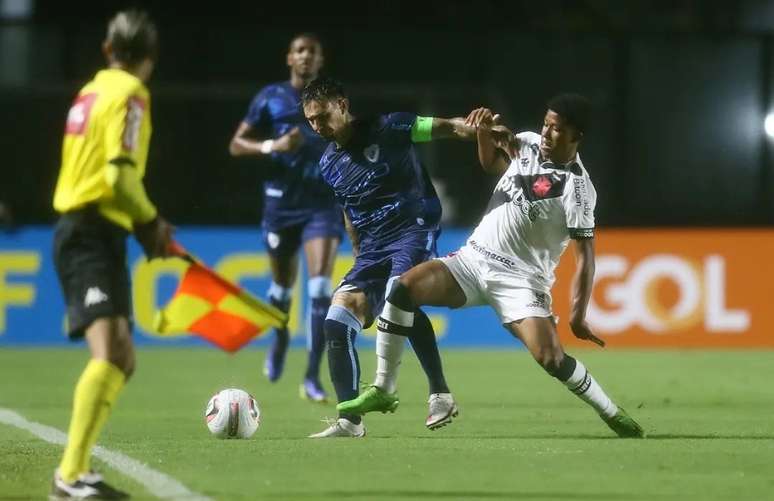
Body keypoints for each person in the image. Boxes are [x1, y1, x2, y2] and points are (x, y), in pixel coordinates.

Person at [340, 95, 645, 438]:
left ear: (576, 137)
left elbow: (586, 255)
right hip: (473, 261)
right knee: (402, 289)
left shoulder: (577, 189)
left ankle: (610, 411)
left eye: (556, 129)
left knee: (552, 359)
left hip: (520, 281)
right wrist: (485, 131)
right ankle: (384, 387)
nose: (546, 133)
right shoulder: (527, 143)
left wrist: (577, 314)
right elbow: (491, 165)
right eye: (545, 123)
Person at [301, 77, 478, 438]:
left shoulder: (390, 127)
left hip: (413, 229)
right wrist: (357, 249)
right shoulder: (329, 163)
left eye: (322, 116)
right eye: (311, 121)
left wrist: (477, 130)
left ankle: (440, 393)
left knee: (401, 295)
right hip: (373, 247)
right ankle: (350, 422)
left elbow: (444, 128)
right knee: (336, 321)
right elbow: (348, 211)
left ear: (342, 104)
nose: (317, 126)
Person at [49, 9, 174, 499]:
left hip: (86, 227)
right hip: (91, 230)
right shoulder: (131, 95)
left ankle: (74, 473)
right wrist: (150, 221)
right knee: (111, 353)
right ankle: (70, 476)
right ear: (151, 59)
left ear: (107, 50)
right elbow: (119, 174)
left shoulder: (88, 93)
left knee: (121, 355)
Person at [229, 34, 340, 403]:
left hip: (321, 205)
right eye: (300, 51)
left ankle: (312, 376)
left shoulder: (333, 98)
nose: (306, 56)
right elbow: (236, 144)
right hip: (280, 206)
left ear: (321, 59)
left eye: (313, 51)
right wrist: (271, 146)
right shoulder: (270, 97)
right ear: (289, 58)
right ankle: (277, 341)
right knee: (281, 289)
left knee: (321, 287)